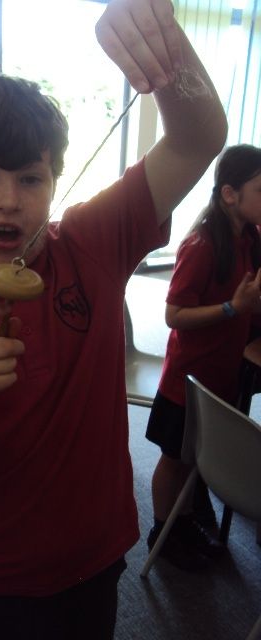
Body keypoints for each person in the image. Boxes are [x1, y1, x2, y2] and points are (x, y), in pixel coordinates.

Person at [0, 1, 227, 637]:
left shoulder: (88, 244)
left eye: (30, 179)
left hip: (89, 572)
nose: (8, 199)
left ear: (55, 183)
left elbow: (198, 138)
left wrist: (163, 44)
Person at [146, 143, 261, 572]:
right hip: (186, 380)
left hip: (220, 374)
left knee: (194, 457)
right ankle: (162, 531)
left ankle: (183, 521)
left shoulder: (248, 237)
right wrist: (232, 308)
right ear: (230, 194)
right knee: (174, 460)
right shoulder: (202, 244)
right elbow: (174, 315)